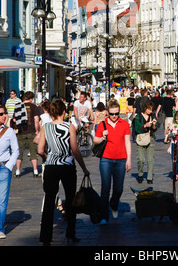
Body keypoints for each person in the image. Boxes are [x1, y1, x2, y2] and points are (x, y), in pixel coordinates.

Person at [38, 100, 90, 246]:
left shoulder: (45, 127)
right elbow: (75, 150)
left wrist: (49, 158)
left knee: (49, 201)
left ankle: (46, 237)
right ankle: (71, 233)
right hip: (67, 166)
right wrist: (84, 169)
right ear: (63, 112)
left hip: (51, 167)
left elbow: (40, 150)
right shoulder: (69, 126)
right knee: (71, 200)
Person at [93, 99, 131, 224]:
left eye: (116, 113)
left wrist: (129, 159)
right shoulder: (102, 124)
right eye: (112, 114)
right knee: (105, 188)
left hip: (121, 160)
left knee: (119, 189)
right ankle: (104, 216)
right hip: (106, 160)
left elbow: (127, 142)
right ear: (107, 112)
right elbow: (95, 141)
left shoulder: (124, 124)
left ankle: (114, 204)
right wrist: (103, 136)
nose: (114, 116)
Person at [0, 104, 19, 238]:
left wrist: (9, 166)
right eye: (1, 114)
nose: (4, 116)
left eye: (5, 113)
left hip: (3, 168)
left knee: (2, 200)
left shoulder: (9, 131)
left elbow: (16, 150)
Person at [13, 91, 41, 178]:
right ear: (31, 98)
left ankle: (17, 171)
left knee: (19, 152)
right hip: (31, 131)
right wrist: (36, 130)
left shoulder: (18, 106)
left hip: (21, 131)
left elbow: (14, 119)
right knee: (33, 152)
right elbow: (36, 120)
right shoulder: (34, 107)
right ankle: (35, 171)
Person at [134, 100, 158, 184]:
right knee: (141, 159)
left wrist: (154, 125)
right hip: (140, 138)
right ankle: (140, 174)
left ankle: (149, 177)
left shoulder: (153, 116)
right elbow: (136, 128)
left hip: (150, 138)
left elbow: (155, 129)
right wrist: (145, 125)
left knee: (150, 159)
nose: (150, 111)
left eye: (152, 109)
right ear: (145, 108)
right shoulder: (138, 116)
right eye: (149, 109)